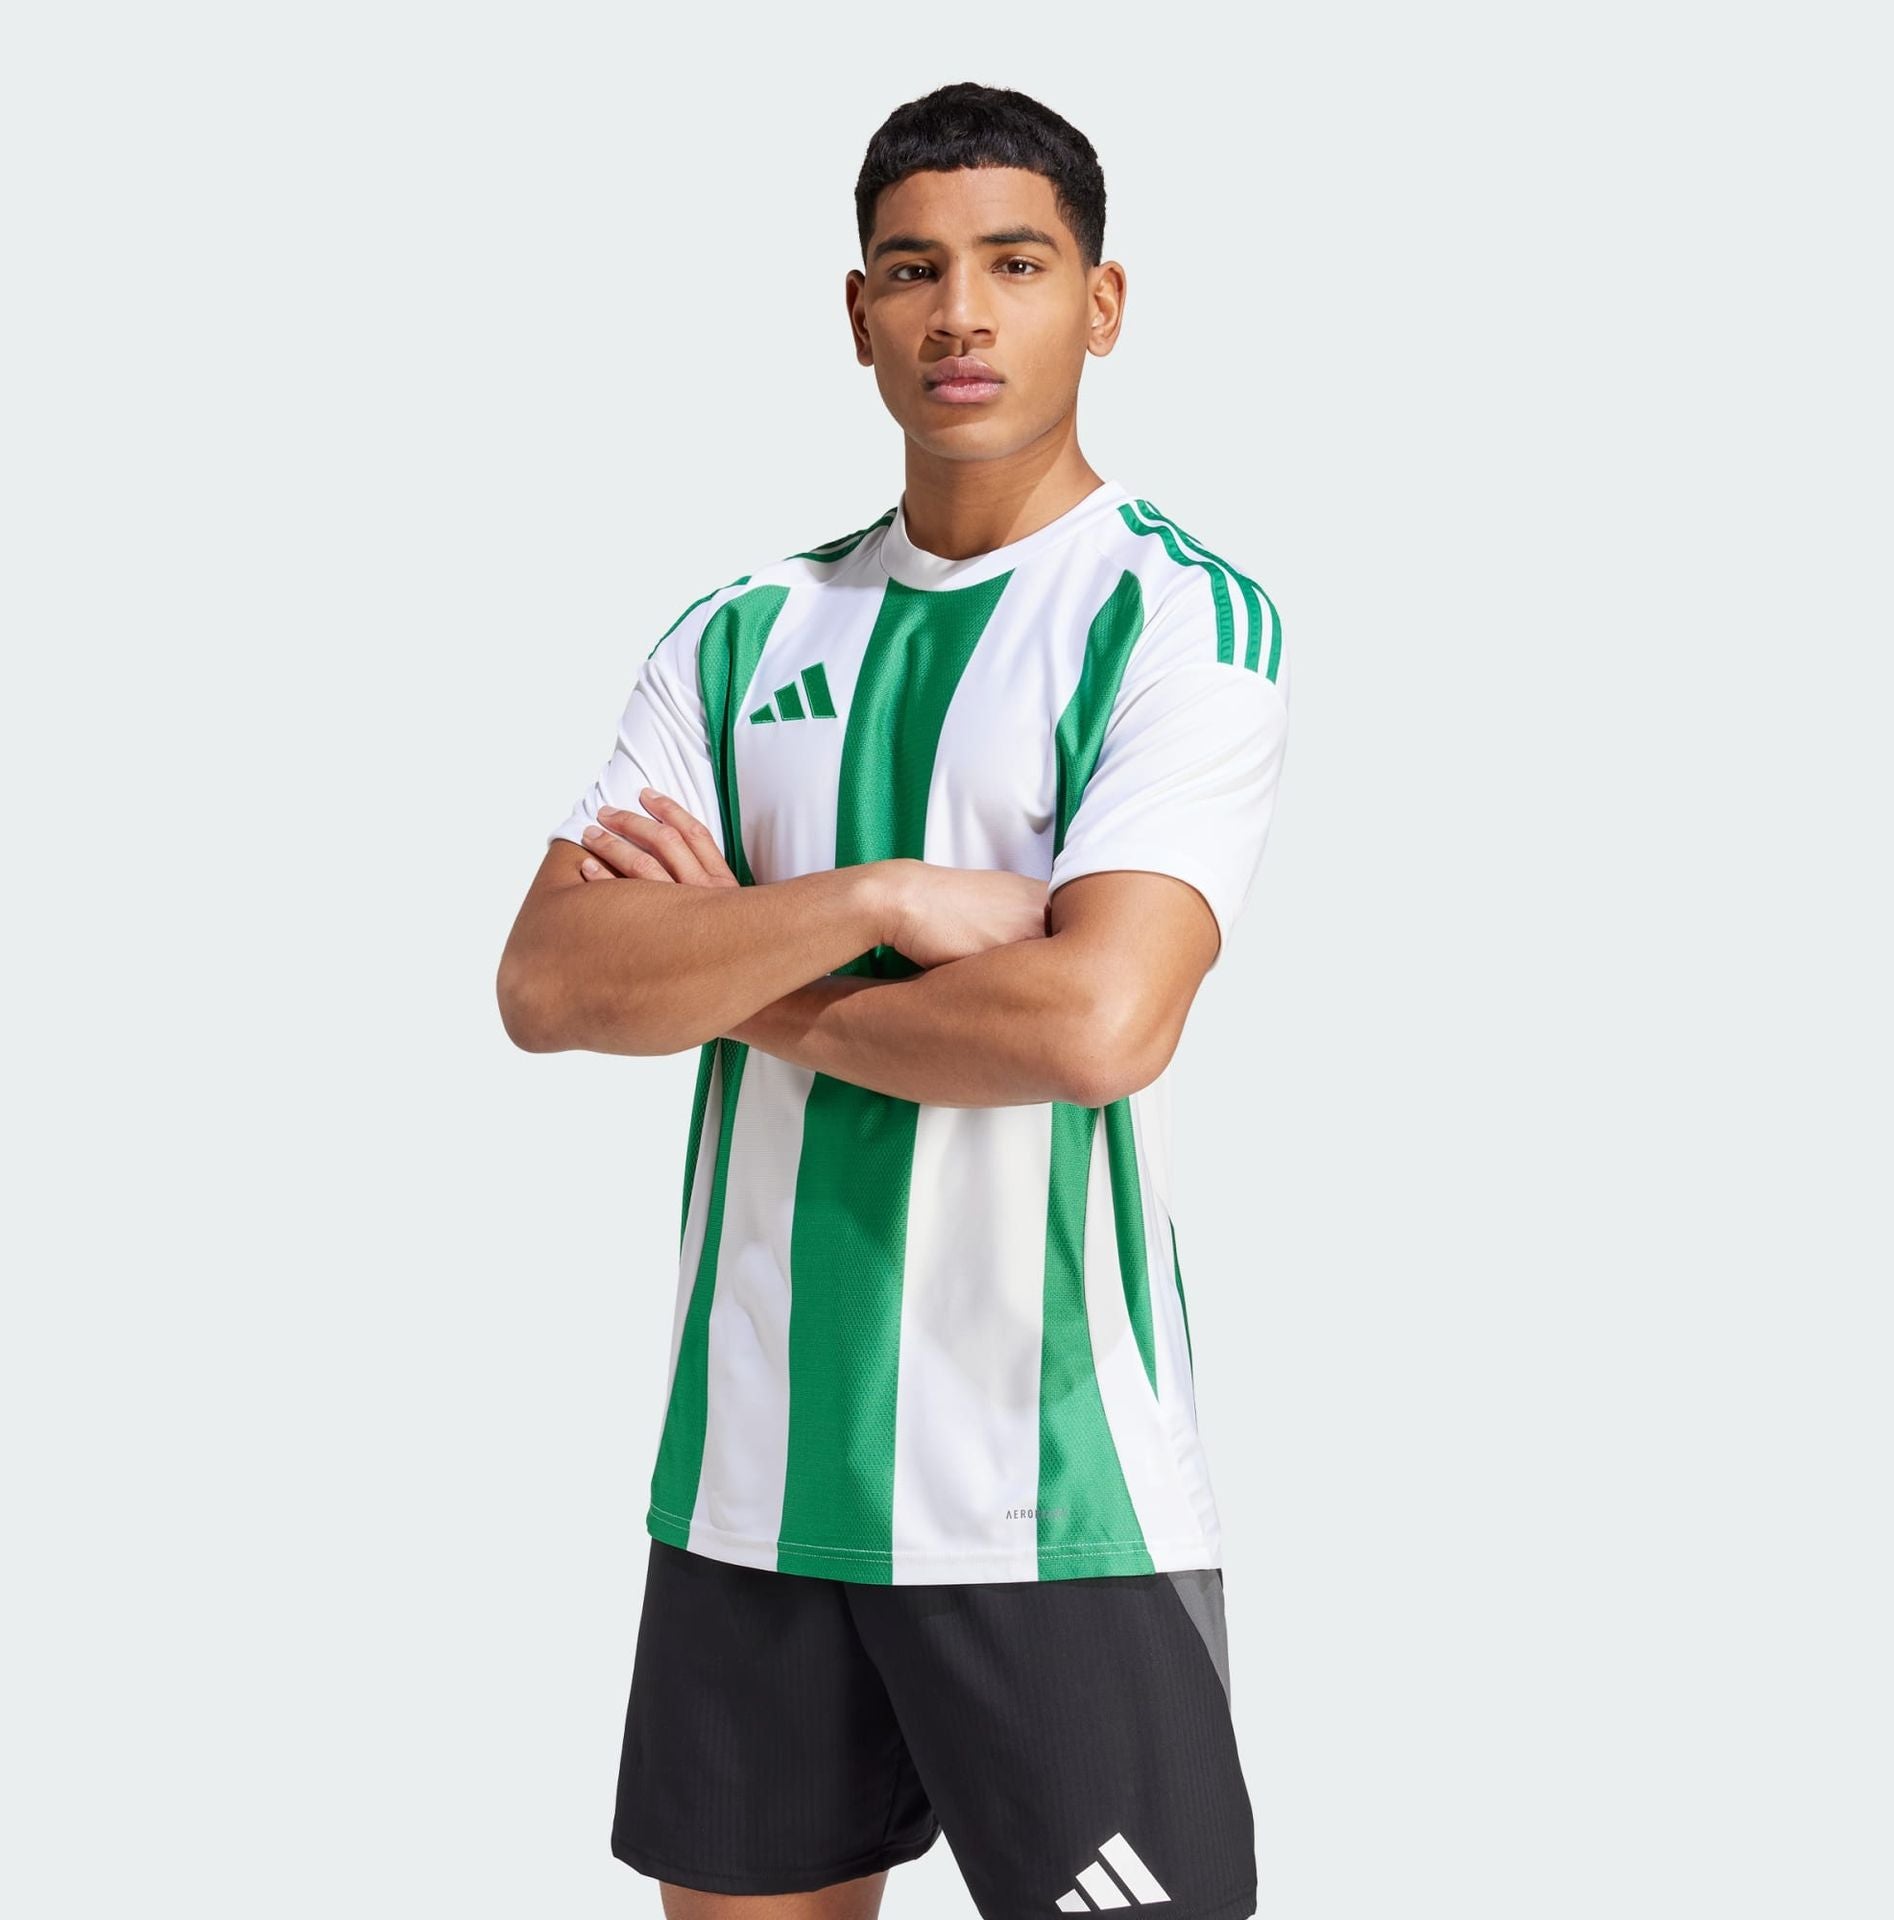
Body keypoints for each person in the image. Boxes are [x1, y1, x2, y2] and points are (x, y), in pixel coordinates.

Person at [497, 79, 1289, 1920]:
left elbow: (1095, 1025)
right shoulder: (738, 634)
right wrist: (879, 902)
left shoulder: (1175, 617)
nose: (960, 314)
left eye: (1015, 264)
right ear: (857, 313)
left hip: (1051, 1494)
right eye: (914, 270)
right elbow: (548, 979)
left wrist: (736, 970)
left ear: (1101, 302)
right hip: (749, 1477)